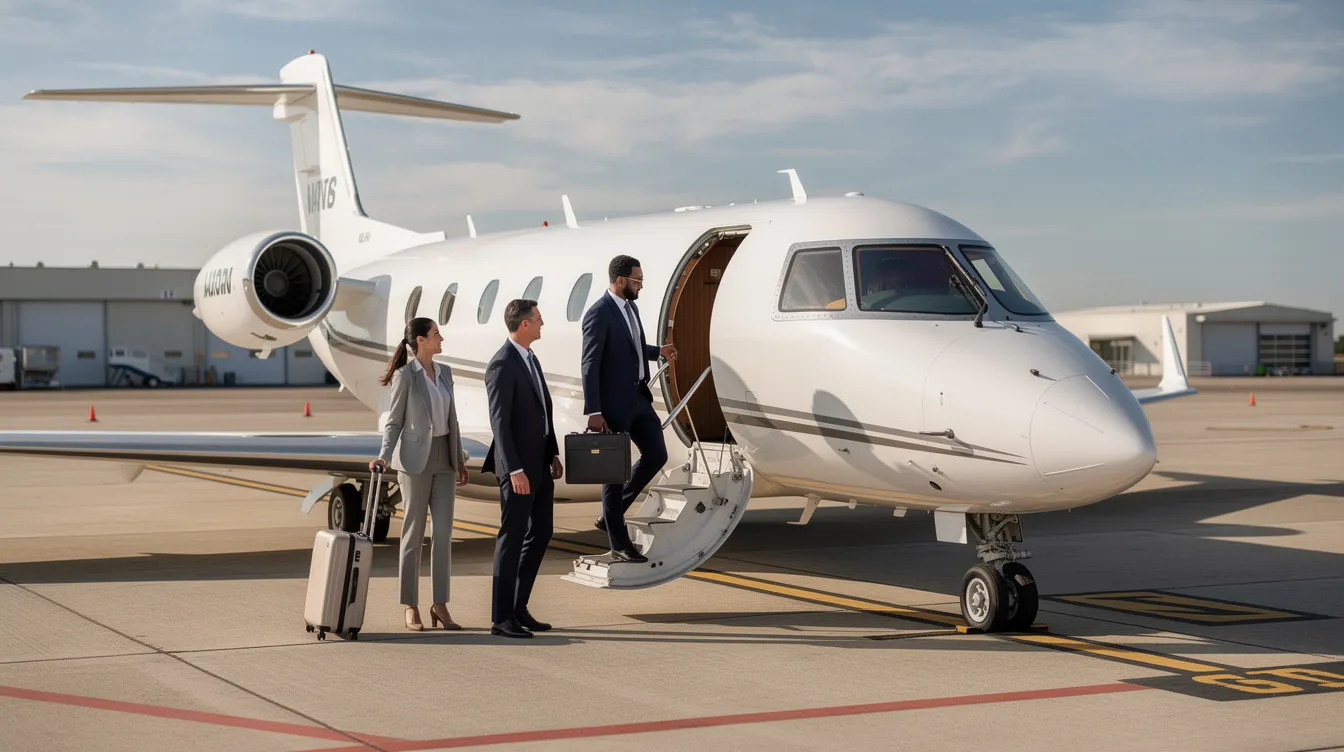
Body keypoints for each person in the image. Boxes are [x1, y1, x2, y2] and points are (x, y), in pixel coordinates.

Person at [370, 317, 469, 632]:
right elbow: (394, 422)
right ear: (422, 341)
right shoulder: (405, 377)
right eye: (437, 333)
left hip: (445, 459)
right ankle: (410, 605)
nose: (442, 338)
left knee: (443, 536)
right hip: (414, 462)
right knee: (412, 534)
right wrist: (384, 457)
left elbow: (451, 419)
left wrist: (460, 459)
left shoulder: (445, 373)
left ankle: (440, 604)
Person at [580, 255, 676, 562]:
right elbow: (590, 364)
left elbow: (631, 347)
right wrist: (594, 411)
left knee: (657, 454)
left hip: (638, 397)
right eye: (638, 280)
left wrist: (656, 352)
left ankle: (612, 512)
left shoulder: (631, 308)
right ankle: (619, 542)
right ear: (620, 280)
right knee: (615, 472)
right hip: (612, 405)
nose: (641, 286)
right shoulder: (599, 313)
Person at [482, 299, 562, 639]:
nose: (543, 323)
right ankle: (501, 618)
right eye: (538, 319)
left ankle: (518, 606)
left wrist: (553, 452)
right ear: (524, 324)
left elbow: (543, 411)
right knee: (511, 538)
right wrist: (514, 469)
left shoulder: (530, 358)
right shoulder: (501, 364)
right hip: (518, 470)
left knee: (541, 532)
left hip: (540, 464)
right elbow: (500, 424)